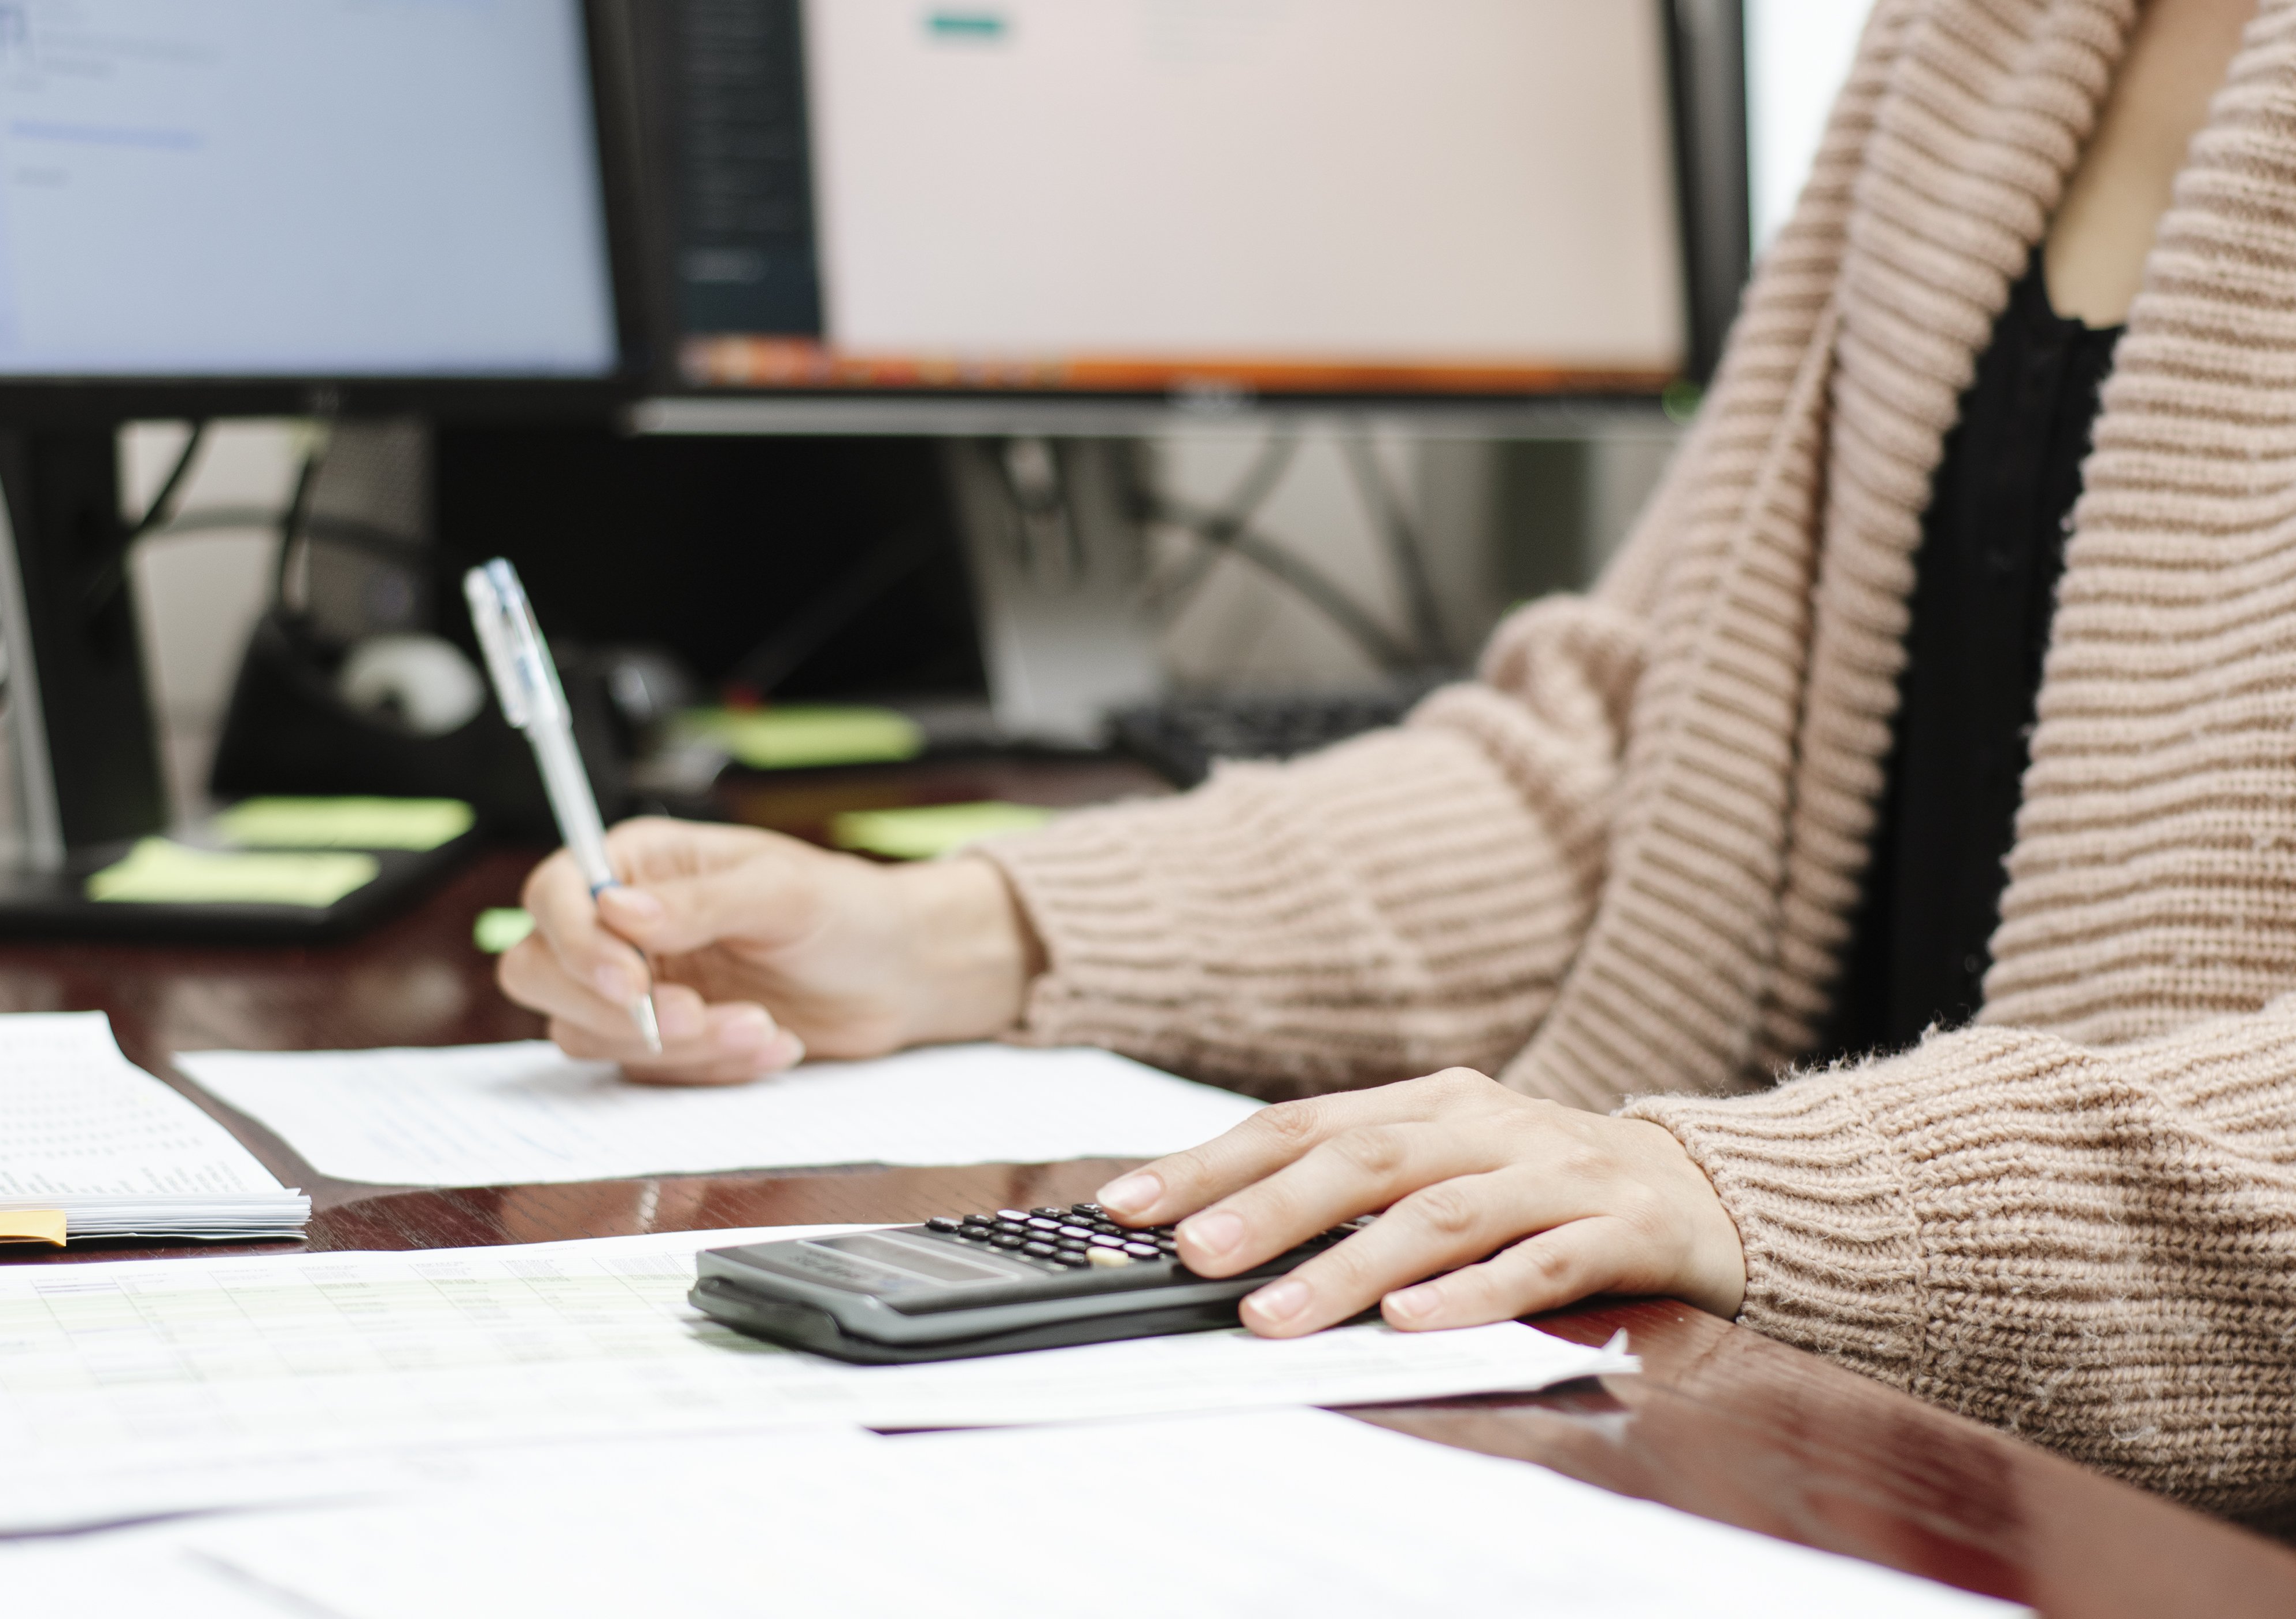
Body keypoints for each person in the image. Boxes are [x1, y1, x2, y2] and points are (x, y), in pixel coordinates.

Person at [501, 0, 2296, 1514]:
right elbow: (1648, 789)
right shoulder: (1984, 38)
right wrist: (952, 936)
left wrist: (1754, 1188)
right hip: (1873, 1463)